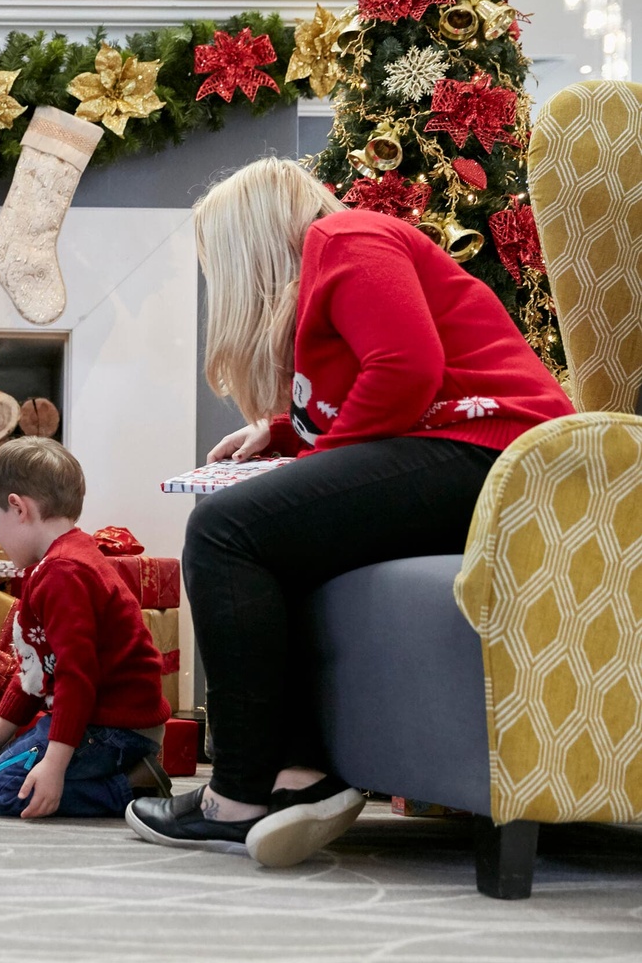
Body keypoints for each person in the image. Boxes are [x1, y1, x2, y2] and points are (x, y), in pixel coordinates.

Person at [125, 157, 574, 866]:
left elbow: (405, 370)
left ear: (254, 243)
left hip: (499, 453)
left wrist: (310, 466)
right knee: (271, 540)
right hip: (473, 457)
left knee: (223, 530)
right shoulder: (329, 282)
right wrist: (281, 430)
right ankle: (300, 775)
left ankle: (236, 794)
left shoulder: (347, 237)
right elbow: (370, 397)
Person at [0, 437, 172, 819]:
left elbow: (75, 676)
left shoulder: (62, 573)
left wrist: (54, 766)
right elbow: (35, 676)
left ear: (18, 508)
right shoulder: (58, 562)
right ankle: (119, 775)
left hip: (114, 728)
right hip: (101, 723)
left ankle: (133, 785)